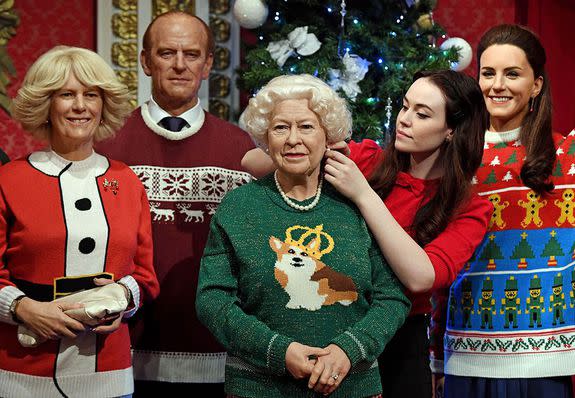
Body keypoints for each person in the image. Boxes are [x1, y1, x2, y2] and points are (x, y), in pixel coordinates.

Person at [242, 70, 493, 397]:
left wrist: (364, 194)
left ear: (451, 130)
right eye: (405, 107)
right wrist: (311, 143)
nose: (405, 120)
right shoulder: (368, 158)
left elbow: (421, 277)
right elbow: (252, 162)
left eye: (422, 114)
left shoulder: (469, 207)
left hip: (402, 342)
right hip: (335, 327)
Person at [196, 73, 411, 397]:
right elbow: (212, 300)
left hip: (353, 388)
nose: (293, 139)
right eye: (281, 127)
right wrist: (277, 350)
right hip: (259, 390)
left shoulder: (359, 202)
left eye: (307, 127)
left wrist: (348, 350)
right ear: (266, 138)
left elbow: (393, 297)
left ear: (329, 136)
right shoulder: (239, 207)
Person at [96, 11, 255, 395]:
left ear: (208, 64)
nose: (180, 65)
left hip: (217, 358)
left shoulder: (242, 150)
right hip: (121, 352)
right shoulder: (106, 147)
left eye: (192, 54)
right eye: (167, 53)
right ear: (146, 61)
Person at [0, 46, 159, 397]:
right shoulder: (8, 180)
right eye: (66, 95)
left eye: (91, 95)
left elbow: (145, 276)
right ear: (46, 104)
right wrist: (24, 309)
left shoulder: (127, 181)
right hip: (21, 375)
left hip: (109, 375)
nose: (80, 106)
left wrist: (122, 297)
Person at [431, 24, 575, 398]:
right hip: (464, 355)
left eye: (512, 74)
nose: (497, 85)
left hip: (546, 363)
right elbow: (437, 265)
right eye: (488, 73)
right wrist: (436, 357)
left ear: (537, 84)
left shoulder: (568, 158)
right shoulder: (453, 159)